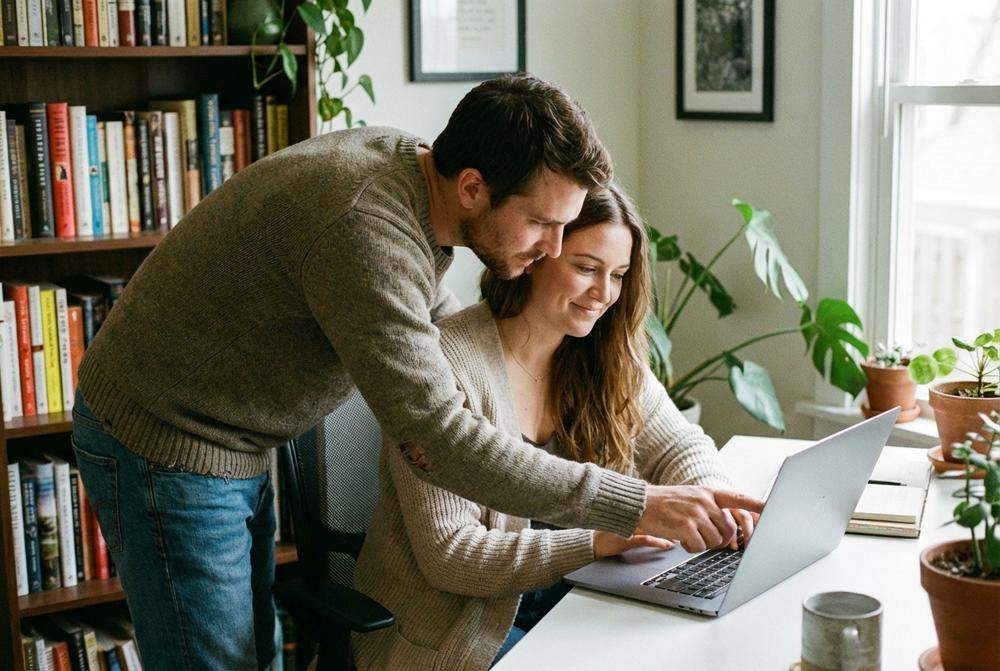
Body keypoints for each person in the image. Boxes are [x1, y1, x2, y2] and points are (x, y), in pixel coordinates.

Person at [71, 74, 762, 670]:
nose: (554, 248)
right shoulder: (363, 227)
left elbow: (428, 318)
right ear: (472, 187)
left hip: (234, 430)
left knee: (249, 652)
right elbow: (441, 437)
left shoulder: (417, 185)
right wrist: (634, 502)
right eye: (543, 226)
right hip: (162, 433)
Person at [350, 185, 756, 670]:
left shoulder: (603, 354)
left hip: (578, 596)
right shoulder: (447, 365)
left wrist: (715, 501)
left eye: (619, 275)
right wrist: (598, 541)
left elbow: (679, 445)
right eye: (586, 268)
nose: (604, 294)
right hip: (458, 628)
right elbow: (451, 554)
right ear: (536, 255)